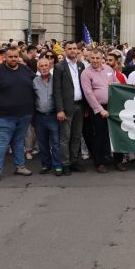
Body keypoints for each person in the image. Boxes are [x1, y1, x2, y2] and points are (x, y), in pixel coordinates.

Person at [0, 45, 36, 181]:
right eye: (10, 57)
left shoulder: (26, 70)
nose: (13, 59)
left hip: (24, 114)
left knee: (19, 142)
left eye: (15, 56)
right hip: (3, 115)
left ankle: (20, 166)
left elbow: (37, 84)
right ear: (5, 57)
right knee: (1, 144)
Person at [80, 49, 120, 173]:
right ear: (89, 59)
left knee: (115, 135)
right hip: (97, 109)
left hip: (112, 107)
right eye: (93, 58)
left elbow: (116, 84)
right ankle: (100, 162)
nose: (95, 61)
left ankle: (118, 161)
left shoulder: (108, 69)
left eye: (98, 58)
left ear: (102, 58)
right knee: (99, 136)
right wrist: (99, 110)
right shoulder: (86, 73)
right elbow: (88, 93)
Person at [53, 41, 88, 173]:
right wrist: (60, 109)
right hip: (66, 107)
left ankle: (74, 161)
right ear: (65, 50)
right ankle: (65, 163)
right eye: (70, 48)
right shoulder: (59, 67)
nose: (73, 51)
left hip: (80, 105)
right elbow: (57, 90)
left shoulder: (80, 65)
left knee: (77, 136)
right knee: (65, 137)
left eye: (75, 48)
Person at [33, 56, 63, 176]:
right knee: (42, 143)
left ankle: (58, 165)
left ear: (50, 66)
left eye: (46, 65)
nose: (44, 68)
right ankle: (46, 165)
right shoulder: (35, 81)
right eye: (41, 66)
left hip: (53, 115)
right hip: (39, 116)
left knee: (55, 142)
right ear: (38, 68)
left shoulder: (56, 79)